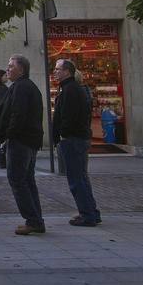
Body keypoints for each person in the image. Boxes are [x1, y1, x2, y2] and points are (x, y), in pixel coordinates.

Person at [0, 55, 45, 235]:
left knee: (17, 179)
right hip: (28, 141)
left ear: (21, 69)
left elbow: (18, 114)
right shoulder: (24, 86)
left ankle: (33, 220)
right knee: (27, 180)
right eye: (7, 66)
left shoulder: (22, 88)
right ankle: (36, 219)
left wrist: (9, 136)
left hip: (21, 141)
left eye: (11, 66)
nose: (7, 69)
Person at [53, 58, 102, 226]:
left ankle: (87, 214)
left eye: (58, 69)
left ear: (67, 71)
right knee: (81, 177)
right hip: (78, 138)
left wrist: (62, 134)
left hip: (73, 139)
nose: (55, 71)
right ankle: (91, 211)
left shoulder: (70, 90)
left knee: (76, 179)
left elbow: (68, 117)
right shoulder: (71, 89)